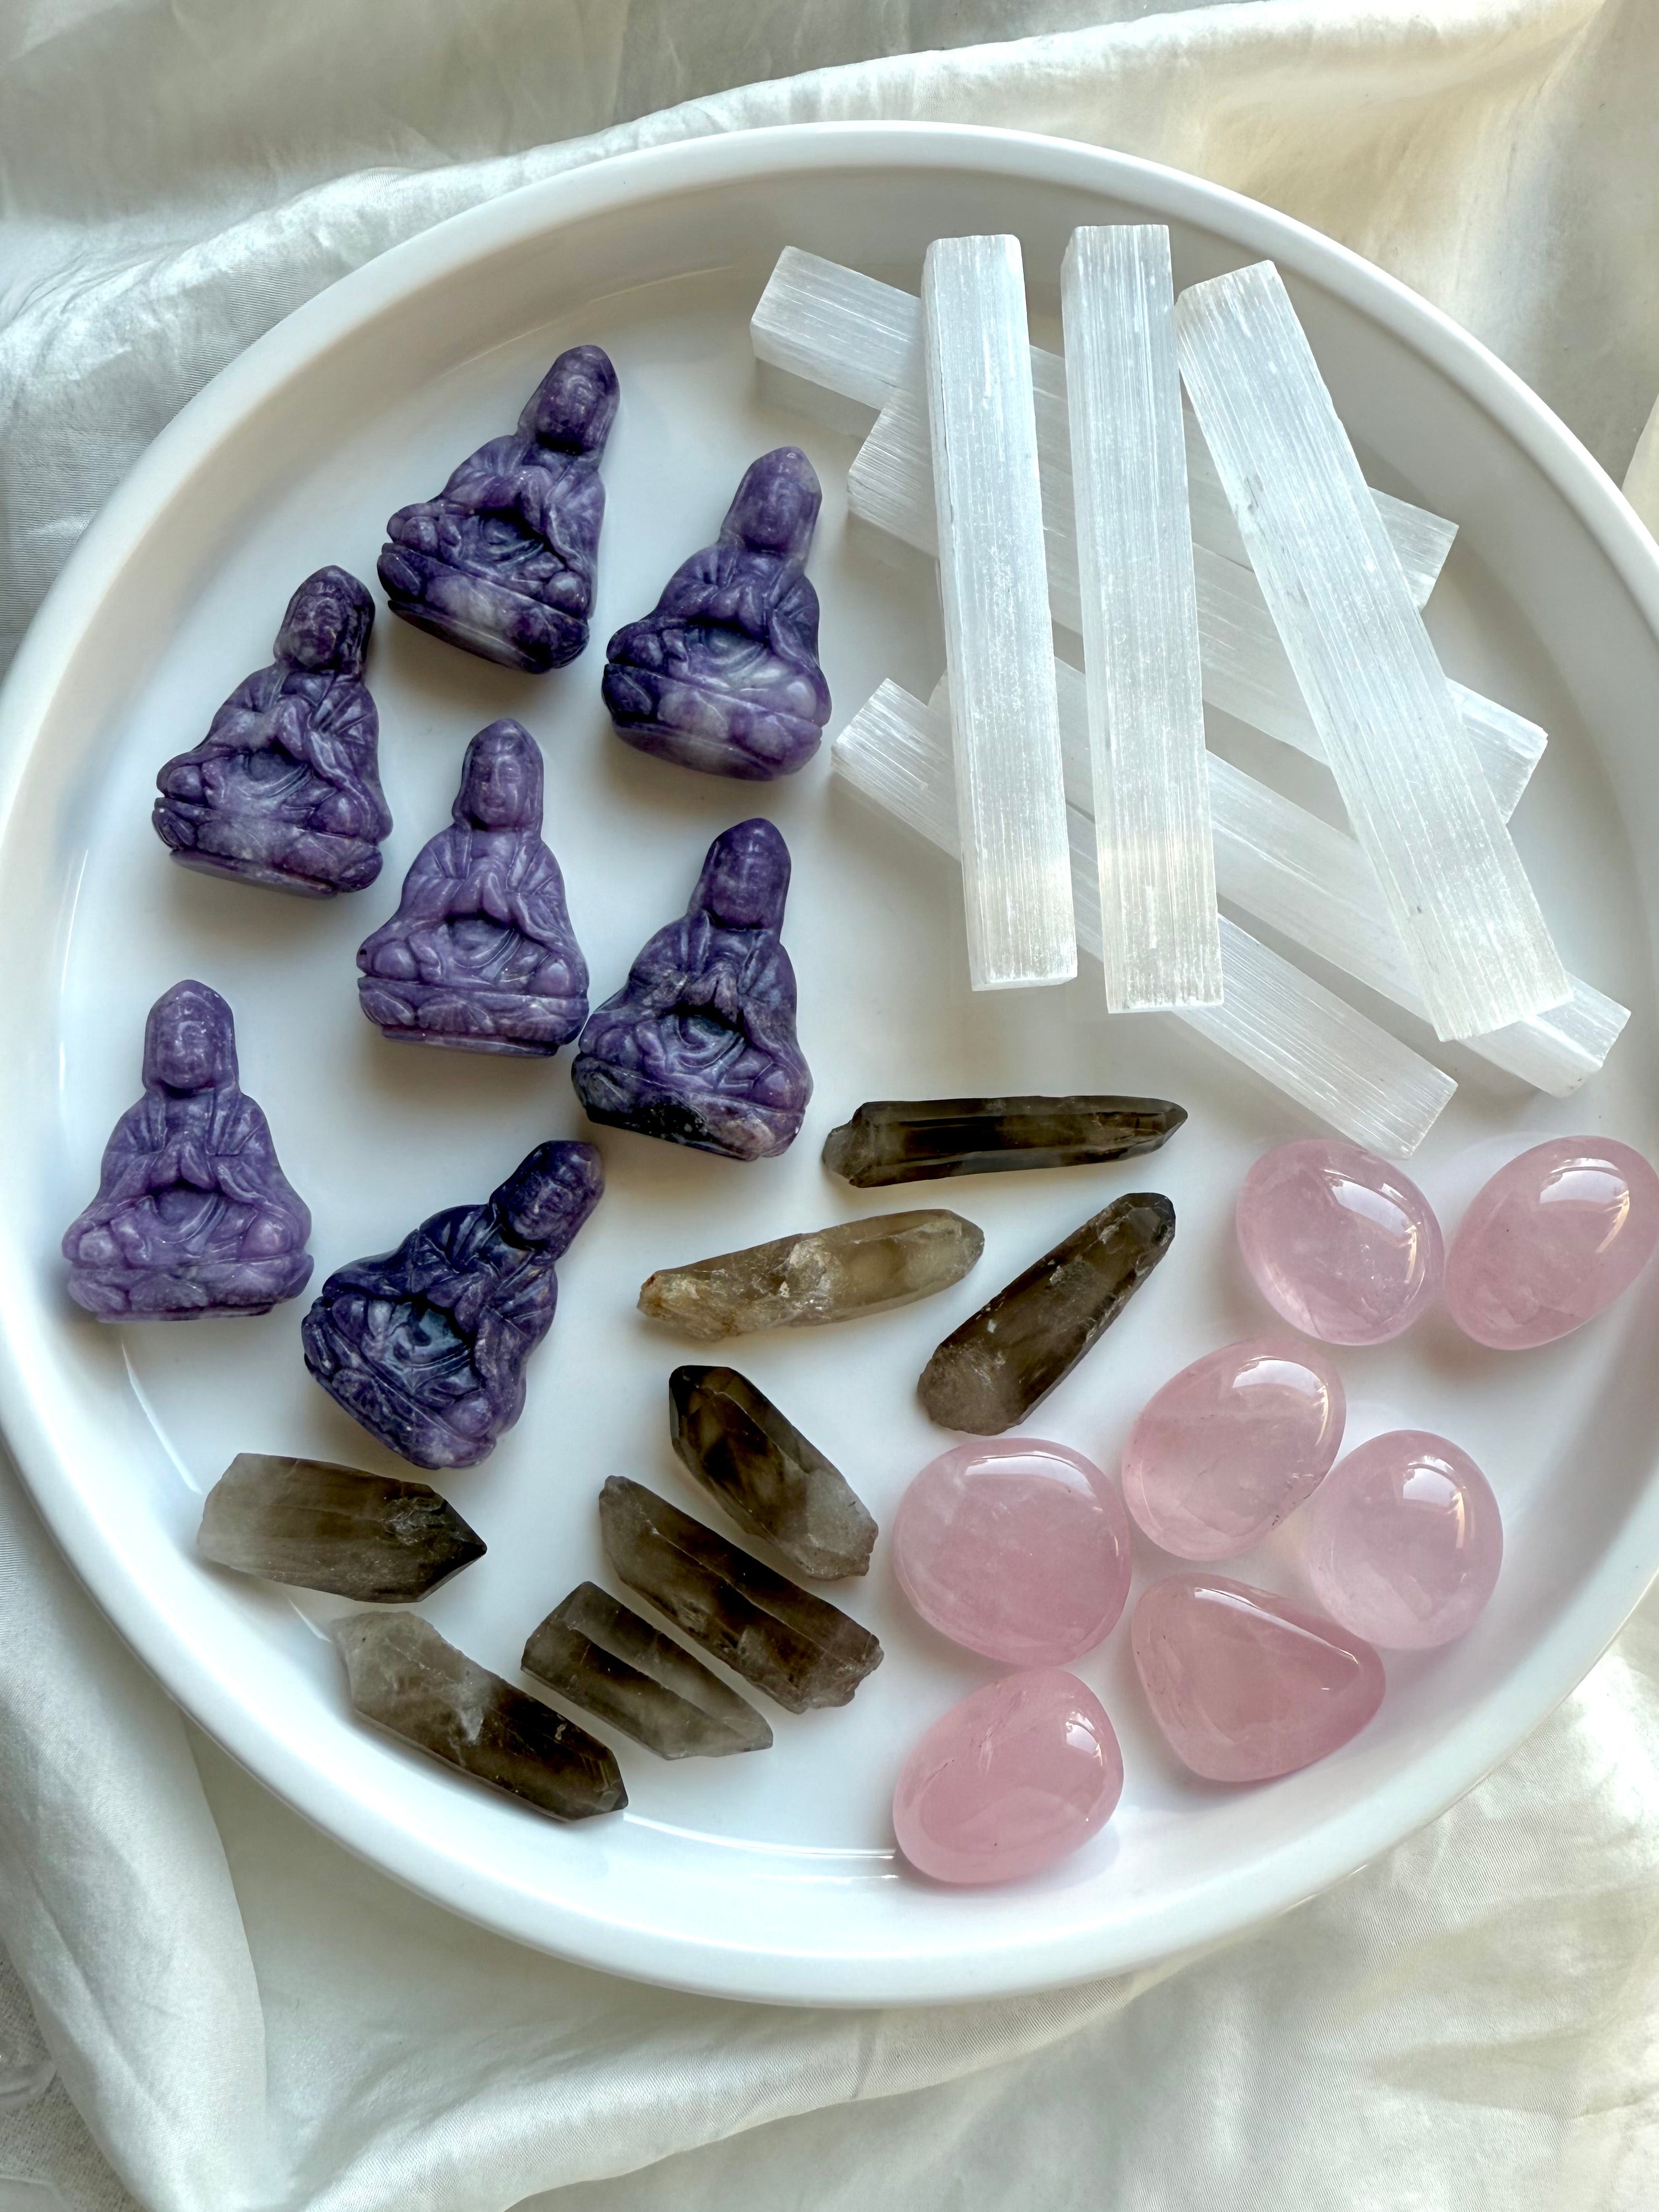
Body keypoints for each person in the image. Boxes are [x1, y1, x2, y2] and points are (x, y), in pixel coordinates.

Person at [301, 1141, 603, 1470]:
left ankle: (361, 1378)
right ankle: (390, 1401)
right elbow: (407, 1262)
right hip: (395, 1328)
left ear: (568, 1220)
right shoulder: (463, 1222)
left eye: (554, 1203)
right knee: (348, 1308)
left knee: (478, 1415)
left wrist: (483, 1318)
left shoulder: (538, 1287)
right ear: (518, 1182)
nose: (536, 1207)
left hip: (446, 1372)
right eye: (534, 1189)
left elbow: (510, 1354)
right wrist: (447, 1284)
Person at [62, 980, 312, 1319]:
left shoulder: (241, 1114)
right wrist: (154, 1170)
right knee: (95, 1247)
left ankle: (161, 1287)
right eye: (168, 1042)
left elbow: (266, 1185)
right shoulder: (139, 1118)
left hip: (223, 1229)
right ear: (153, 1053)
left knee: (273, 1235)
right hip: (148, 1234)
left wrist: (211, 1172)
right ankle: (210, 1284)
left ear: (220, 1049)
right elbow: (113, 1189)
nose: (180, 1051)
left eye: (193, 1038)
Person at [572, 817, 811, 1160]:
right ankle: (720, 1119)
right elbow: (639, 993)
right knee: (611, 1042)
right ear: (711, 878)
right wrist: (687, 990)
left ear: (774, 894)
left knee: (780, 1087)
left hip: (728, 1065)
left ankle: (701, 1114)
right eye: (732, 874)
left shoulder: (772, 960)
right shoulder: (679, 935)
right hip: (662, 1045)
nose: (741, 888)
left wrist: (740, 1008)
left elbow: (779, 1031)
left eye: (754, 880)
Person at [378, 344, 619, 672]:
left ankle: (454, 599)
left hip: (527, 576)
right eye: (560, 393)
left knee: (567, 592)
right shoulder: (503, 450)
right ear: (541, 398)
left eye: (580, 401)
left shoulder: (586, 487)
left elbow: (578, 555)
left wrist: (543, 510)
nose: (566, 407)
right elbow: (455, 494)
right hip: (466, 548)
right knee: (418, 534)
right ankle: (486, 611)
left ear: (595, 422)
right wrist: (507, 490)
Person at [153, 567, 391, 896]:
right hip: (236, 787)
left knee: (346, 817)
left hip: (304, 801)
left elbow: (357, 771)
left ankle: (226, 837)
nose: (312, 627)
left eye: (327, 618)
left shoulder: (354, 702)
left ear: (350, 636)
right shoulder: (261, 682)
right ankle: (269, 844)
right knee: (183, 782)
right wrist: (258, 728)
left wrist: (305, 742)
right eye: (303, 615)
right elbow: (222, 731)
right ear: (289, 623)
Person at [356, 719, 588, 1054]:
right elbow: (413, 907)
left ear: (530, 791)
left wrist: (507, 905)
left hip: (509, 968)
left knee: (559, 978)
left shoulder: (537, 859)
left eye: (508, 777)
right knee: (392, 960)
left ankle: (454, 1011)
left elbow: (553, 925)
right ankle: (466, 1010)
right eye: (483, 775)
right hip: (440, 959)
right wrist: (457, 897)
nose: (493, 788)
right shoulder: (445, 846)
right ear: (467, 785)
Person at [602, 446, 830, 778]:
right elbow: (666, 614)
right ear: (742, 505)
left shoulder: (798, 589)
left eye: (785, 502)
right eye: (764, 498)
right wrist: (715, 602)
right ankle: (739, 726)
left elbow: (803, 662)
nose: (771, 509)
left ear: (801, 522)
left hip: (752, 680)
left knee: (798, 695)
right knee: (644, 650)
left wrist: (765, 620)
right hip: (690, 656)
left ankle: (684, 709)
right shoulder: (711, 560)